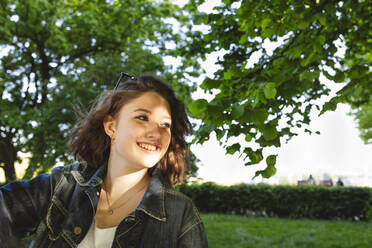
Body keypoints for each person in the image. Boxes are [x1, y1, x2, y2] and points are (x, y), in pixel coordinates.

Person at [0, 73, 208, 247]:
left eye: (165, 125)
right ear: (111, 127)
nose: (157, 133)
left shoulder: (181, 213)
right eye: (142, 117)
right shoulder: (63, 185)